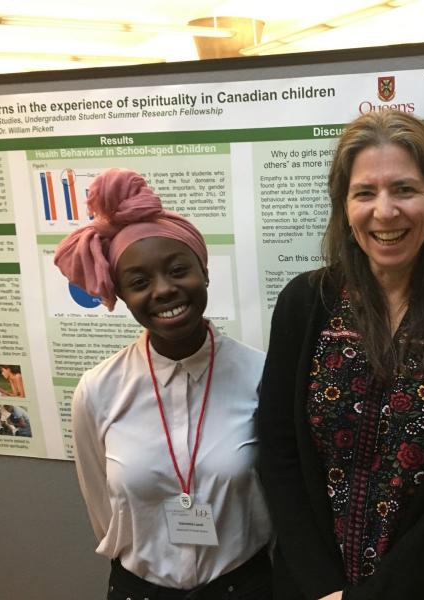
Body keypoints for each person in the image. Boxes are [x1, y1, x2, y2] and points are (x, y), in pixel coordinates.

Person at [258, 111, 424, 600]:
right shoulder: (306, 302)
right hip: (314, 584)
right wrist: (324, 585)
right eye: (365, 193)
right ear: (344, 206)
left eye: (404, 189)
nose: (384, 211)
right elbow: (278, 451)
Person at [54, 168, 272, 599]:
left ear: (204, 273)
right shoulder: (98, 390)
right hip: (141, 590)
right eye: (139, 282)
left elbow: (279, 499)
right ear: (121, 294)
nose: (164, 290)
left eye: (178, 270)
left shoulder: (261, 376)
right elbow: (104, 510)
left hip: (243, 587)